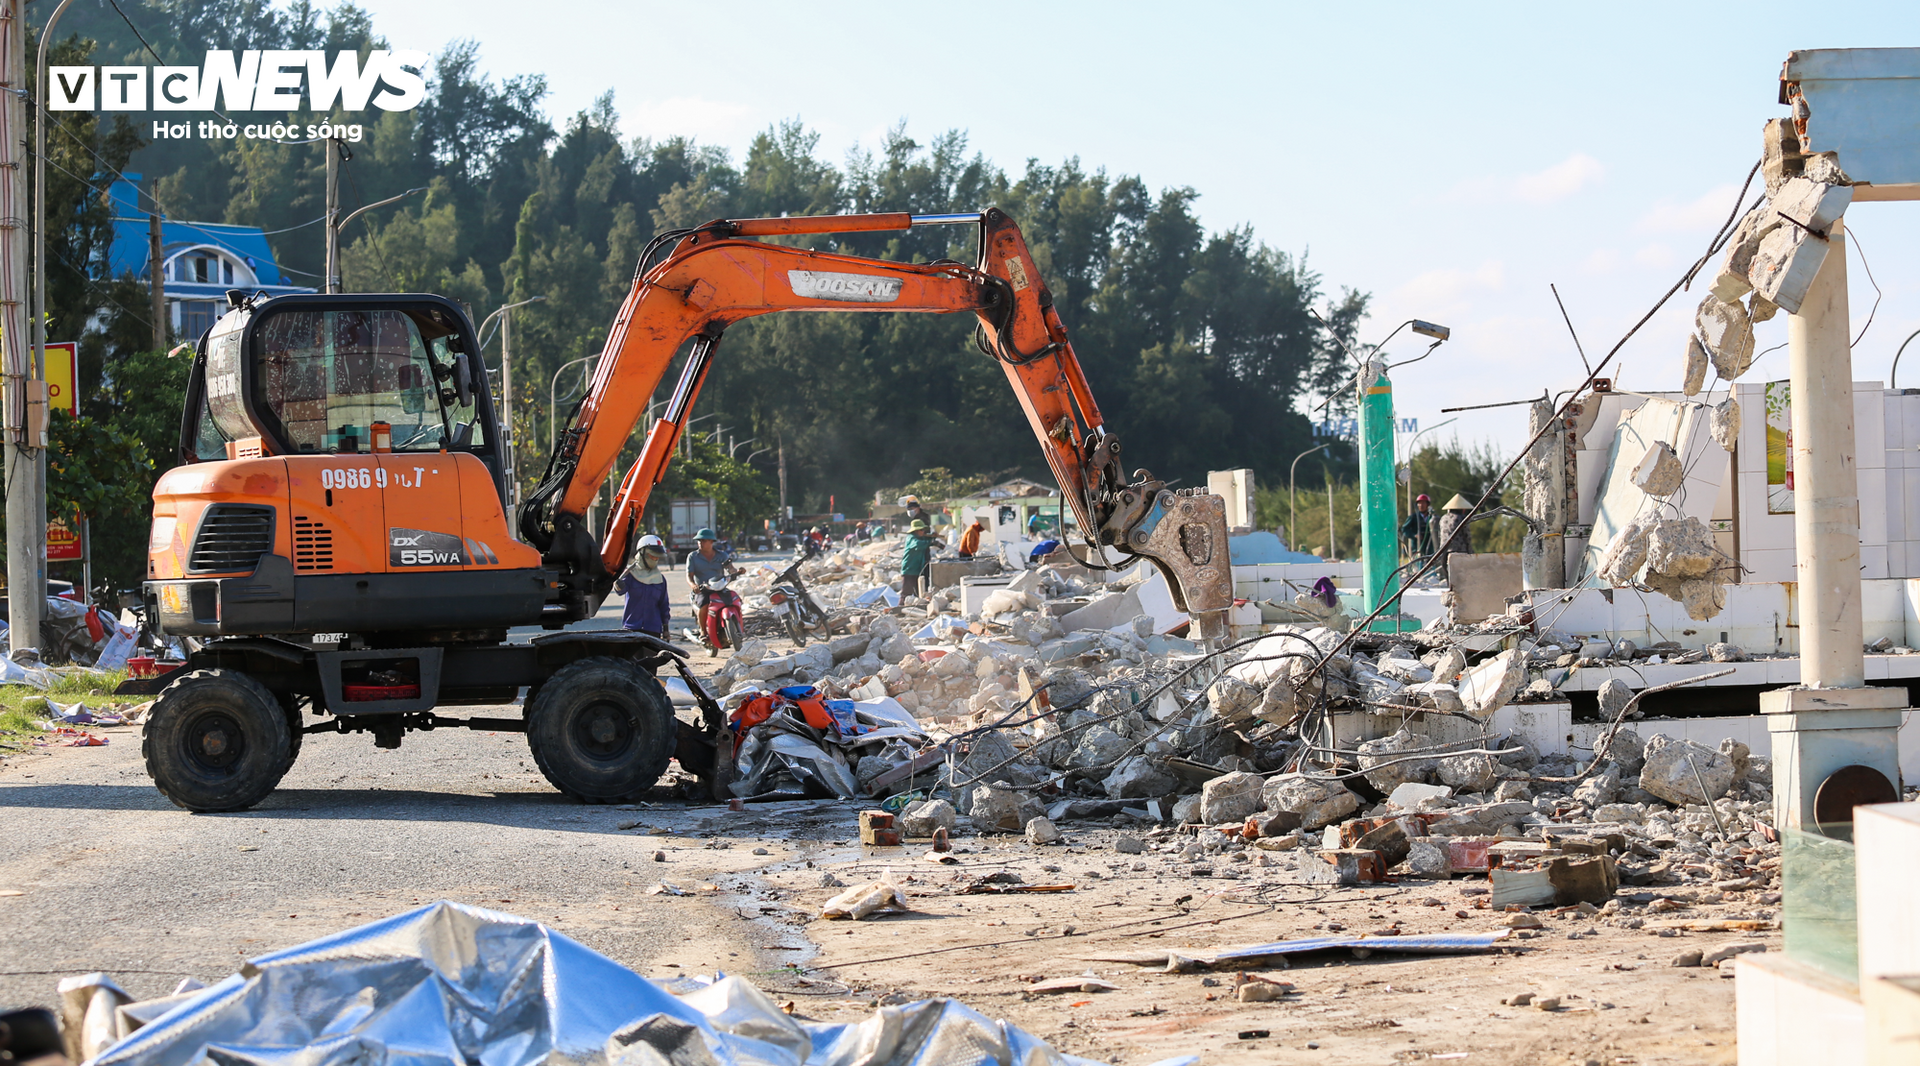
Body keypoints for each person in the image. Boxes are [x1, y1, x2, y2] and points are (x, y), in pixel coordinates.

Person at [615, 534, 671, 637]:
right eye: (652, 555)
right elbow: (620, 591)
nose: (655, 559)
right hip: (632, 627)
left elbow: (664, 606)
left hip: (653, 629)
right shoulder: (630, 574)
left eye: (657, 556)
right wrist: (618, 585)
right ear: (642, 553)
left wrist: (666, 629)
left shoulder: (660, 580)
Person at [686, 528, 739, 636]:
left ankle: (737, 629)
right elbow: (689, 576)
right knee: (704, 605)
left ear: (711, 542)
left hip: (719, 587)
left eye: (704, 541)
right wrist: (693, 585)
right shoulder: (693, 557)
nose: (701, 543)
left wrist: (738, 572)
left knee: (733, 600)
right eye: (699, 541)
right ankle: (703, 632)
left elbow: (730, 569)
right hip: (703, 590)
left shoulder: (722, 555)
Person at [900, 518, 944, 600]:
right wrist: (931, 542)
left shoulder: (921, 538)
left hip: (918, 570)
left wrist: (932, 537)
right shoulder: (911, 538)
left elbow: (926, 540)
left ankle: (916, 608)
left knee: (919, 592)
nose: (923, 531)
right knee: (906, 593)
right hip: (910, 569)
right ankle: (900, 609)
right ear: (916, 530)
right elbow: (919, 544)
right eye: (921, 530)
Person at [1434, 494, 1474, 583]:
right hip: (1459, 551)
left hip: (1444, 551)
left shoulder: (1443, 518)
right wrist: (1471, 552)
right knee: (1461, 579)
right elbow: (1467, 536)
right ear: (1463, 509)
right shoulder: (1462, 518)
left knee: (1449, 578)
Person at [1401, 493, 1436, 562]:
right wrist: (1414, 535)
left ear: (1427, 504)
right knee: (1417, 564)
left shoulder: (1432, 517)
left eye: (1423, 503)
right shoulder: (1413, 517)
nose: (1421, 505)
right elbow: (1404, 529)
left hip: (1430, 546)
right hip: (1417, 547)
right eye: (1419, 503)